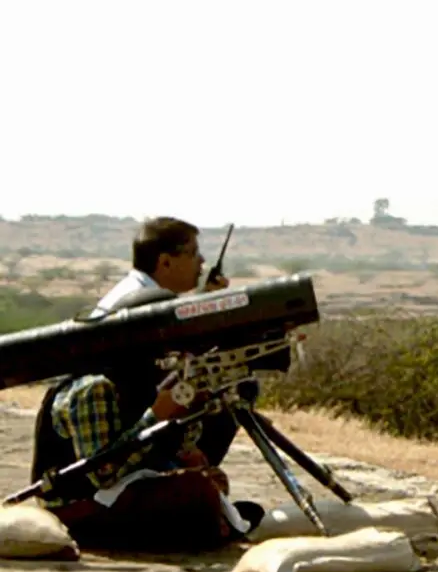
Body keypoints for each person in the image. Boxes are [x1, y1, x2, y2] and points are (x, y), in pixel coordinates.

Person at [30, 216, 264, 551]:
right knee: (193, 495)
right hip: (81, 501)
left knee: (203, 485)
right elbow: (102, 474)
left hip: (121, 486)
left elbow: (152, 445)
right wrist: (159, 415)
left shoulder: (140, 374)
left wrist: (189, 456)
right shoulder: (95, 388)